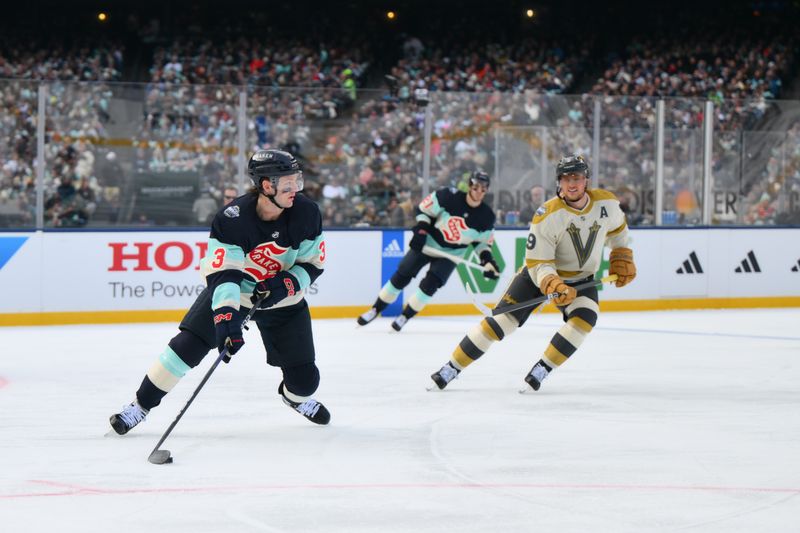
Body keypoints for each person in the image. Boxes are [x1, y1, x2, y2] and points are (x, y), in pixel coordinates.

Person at [109, 149, 330, 435]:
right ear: (266, 186)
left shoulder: (306, 212)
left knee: (305, 383)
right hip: (235, 294)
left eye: (296, 181)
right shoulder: (233, 218)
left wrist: (283, 285)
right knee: (184, 348)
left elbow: (313, 264)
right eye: (287, 184)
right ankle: (139, 406)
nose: (295, 190)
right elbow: (225, 274)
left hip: (284, 302)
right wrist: (226, 319)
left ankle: (294, 399)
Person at [429, 155, 637, 392]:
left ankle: (543, 368)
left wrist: (621, 254)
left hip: (582, 280)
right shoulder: (546, 215)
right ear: (559, 182)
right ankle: (451, 367)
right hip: (538, 278)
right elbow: (539, 262)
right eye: (566, 178)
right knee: (499, 324)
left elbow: (619, 231)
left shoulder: (607, 204)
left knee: (585, 319)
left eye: (577, 177)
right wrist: (553, 284)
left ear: (586, 180)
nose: (572, 184)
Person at [356, 170, 499, 332]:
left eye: (483, 189)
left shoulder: (487, 217)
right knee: (401, 276)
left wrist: (488, 262)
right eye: (476, 187)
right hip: (427, 244)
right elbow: (424, 211)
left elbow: (481, 244)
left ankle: (405, 316)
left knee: (429, 286)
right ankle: (375, 309)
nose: (479, 192)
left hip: (452, 254)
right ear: (469, 185)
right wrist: (421, 232)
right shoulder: (447, 196)